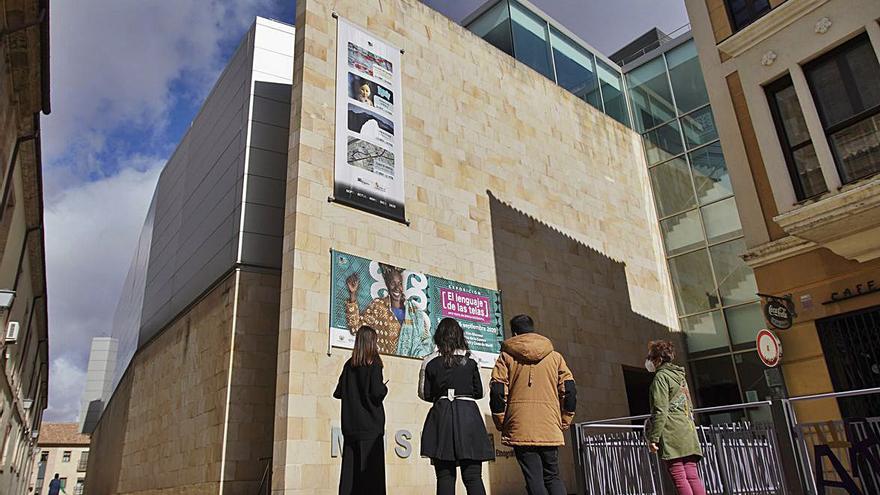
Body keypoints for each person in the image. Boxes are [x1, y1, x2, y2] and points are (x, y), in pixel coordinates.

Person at [490, 314, 576, 495]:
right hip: (549, 425)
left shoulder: (506, 357)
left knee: (533, 478)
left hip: (520, 425)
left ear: (514, 333)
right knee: (553, 476)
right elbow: (569, 389)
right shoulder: (555, 357)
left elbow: (497, 391)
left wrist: (500, 421)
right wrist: (565, 419)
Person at [419, 318, 495, 495]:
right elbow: (480, 391)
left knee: (445, 477)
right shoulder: (471, 359)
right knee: (473, 477)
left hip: (441, 417)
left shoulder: (429, 361)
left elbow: (424, 393)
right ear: (460, 335)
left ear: (438, 337)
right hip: (468, 416)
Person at [645, 340, 706, 495]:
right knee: (692, 475)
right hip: (687, 429)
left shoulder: (660, 378)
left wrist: (654, 438)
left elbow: (660, 410)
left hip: (671, 432)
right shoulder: (680, 376)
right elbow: (689, 405)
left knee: (678, 475)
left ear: (658, 359)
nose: (649, 362)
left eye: (651, 358)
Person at [334, 326, 388, 495]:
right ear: (372, 343)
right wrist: (384, 389)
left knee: (350, 476)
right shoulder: (374, 364)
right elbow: (376, 392)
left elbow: (338, 392)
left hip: (350, 428)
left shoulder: (348, 365)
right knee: (372, 477)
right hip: (370, 429)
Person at [346, 263, 432, 357]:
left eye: (399, 283)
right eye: (392, 283)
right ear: (387, 284)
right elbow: (355, 328)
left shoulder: (414, 312)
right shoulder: (378, 306)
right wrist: (353, 294)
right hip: (384, 364)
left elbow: (426, 341)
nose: (397, 288)